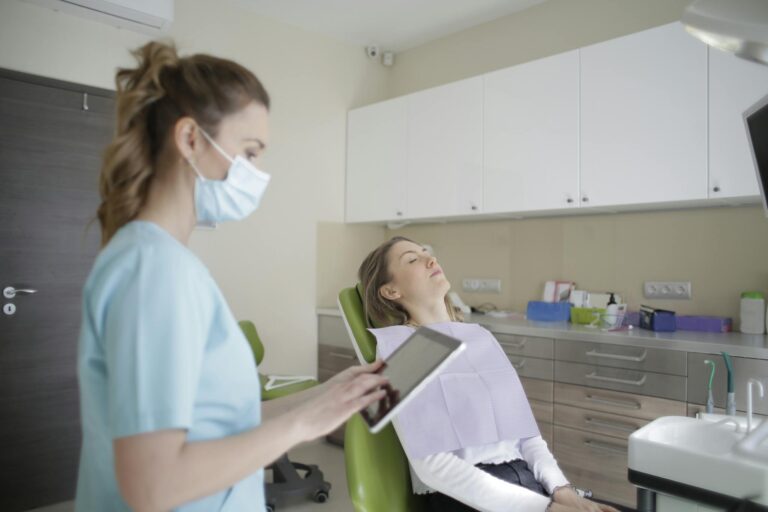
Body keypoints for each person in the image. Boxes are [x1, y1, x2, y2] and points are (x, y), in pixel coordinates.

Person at [75, 41, 388, 512]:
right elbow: (152, 485)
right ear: (190, 139)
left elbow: (221, 422)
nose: (257, 174)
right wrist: (303, 427)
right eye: (250, 152)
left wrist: (327, 398)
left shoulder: (163, 262)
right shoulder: (154, 270)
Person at [358, 236, 620, 512]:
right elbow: (433, 467)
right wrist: (546, 508)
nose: (430, 260)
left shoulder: (479, 337)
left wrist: (563, 492)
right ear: (391, 291)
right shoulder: (399, 349)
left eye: (426, 253)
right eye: (412, 259)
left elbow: (527, 436)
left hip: (528, 486)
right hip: (465, 497)